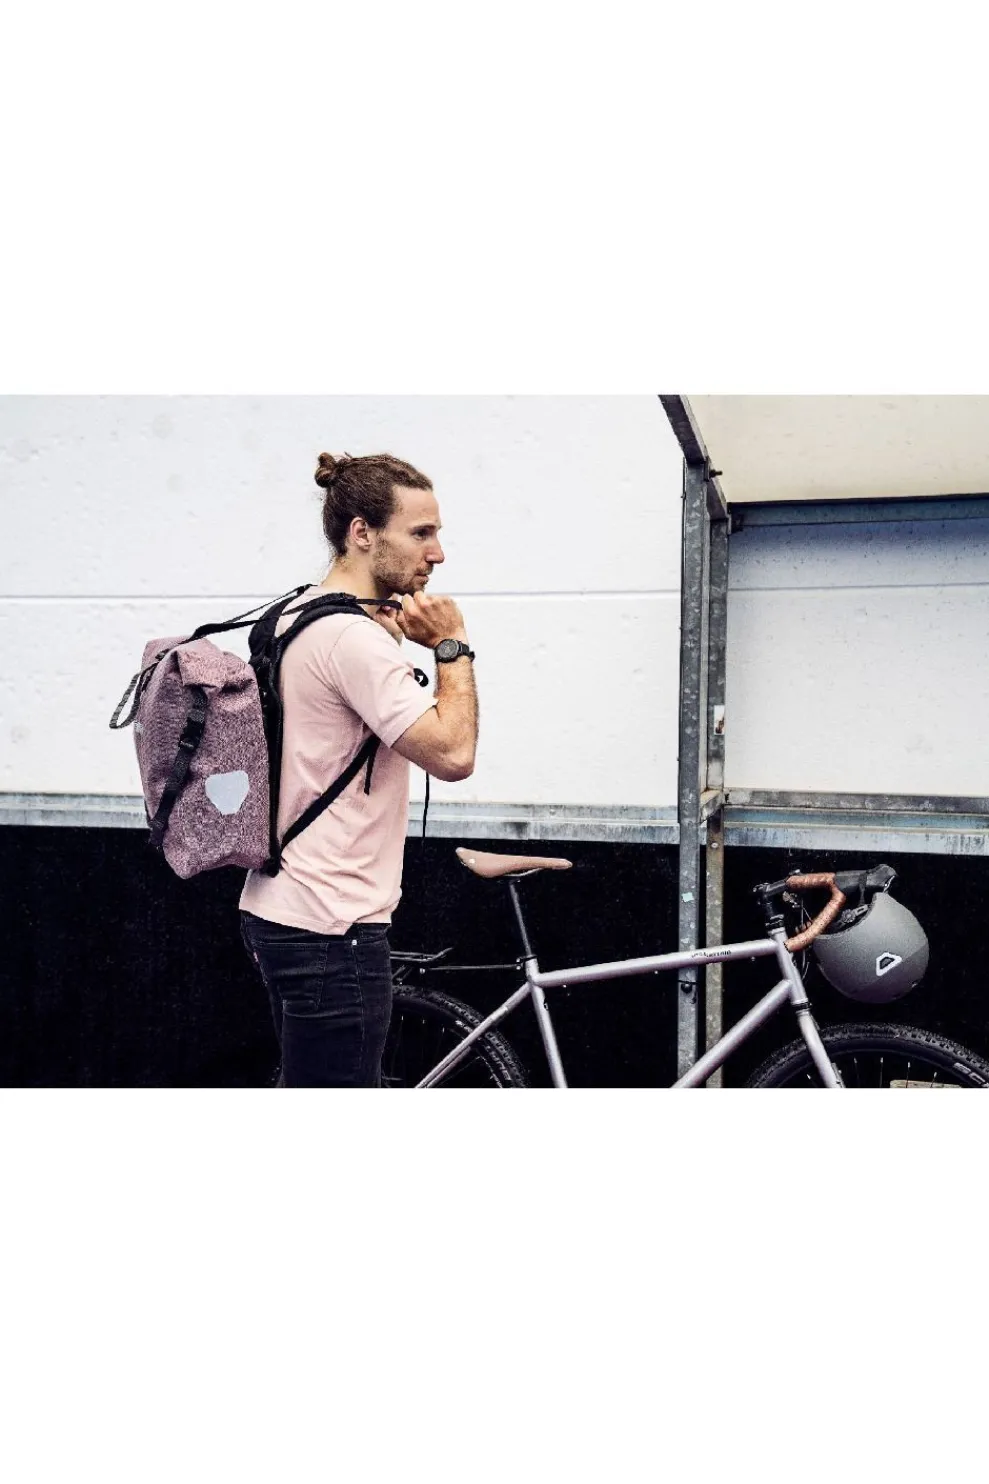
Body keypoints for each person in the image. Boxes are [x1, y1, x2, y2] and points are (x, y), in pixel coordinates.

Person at [239, 451, 478, 1087]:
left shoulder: (297, 613)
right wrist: (452, 647)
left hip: (280, 905)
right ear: (362, 532)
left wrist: (391, 643)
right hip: (331, 925)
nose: (437, 553)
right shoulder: (353, 639)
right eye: (421, 533)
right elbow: (453, 755)